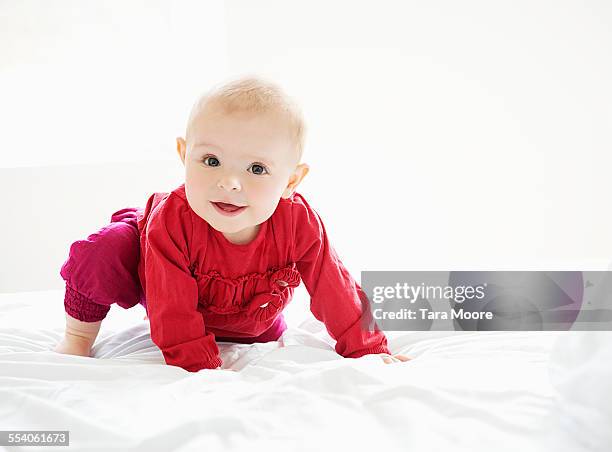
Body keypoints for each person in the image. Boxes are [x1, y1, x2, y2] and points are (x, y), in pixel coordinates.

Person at [54, 75, 411, 371]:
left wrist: (367, 349)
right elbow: (171, 306)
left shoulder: (298, 222)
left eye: (256, 169)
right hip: (159, 283)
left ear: (290, 181)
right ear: (184, 155)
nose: (229, 182)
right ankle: (77, 336)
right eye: (211, 160)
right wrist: (199, 367)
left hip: (252, 319)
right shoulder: (173, 221)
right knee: (104, 249)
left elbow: (336, 287)